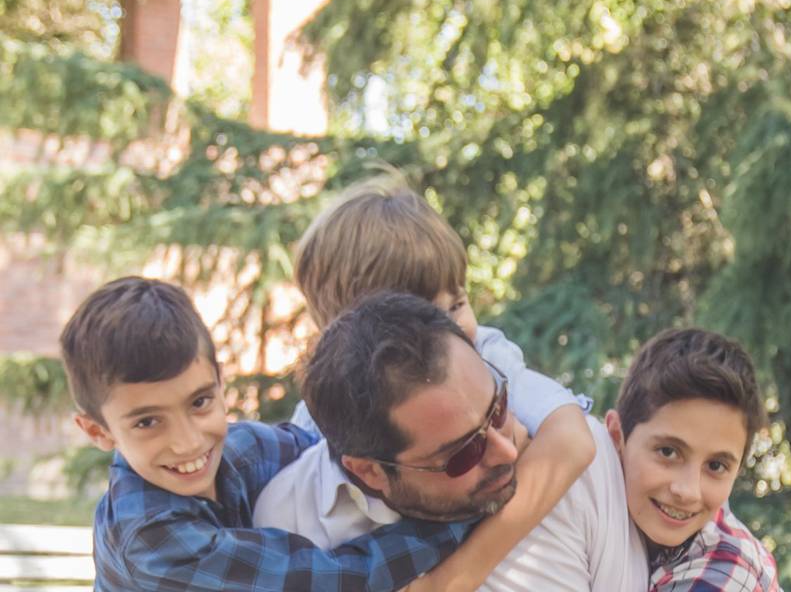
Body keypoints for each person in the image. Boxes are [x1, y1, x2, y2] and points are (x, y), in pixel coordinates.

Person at [258, 175, 602, 589]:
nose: (452, 328)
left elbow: (573, 441)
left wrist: (457, 576)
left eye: (457, 304)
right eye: (422, 317)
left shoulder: (481, 358)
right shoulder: (310, 444)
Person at [62, 276, 471, 592]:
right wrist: (461, 516)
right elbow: (336, 580)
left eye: (200, 402)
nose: (187, 441)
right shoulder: (151, 542)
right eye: (147, 422)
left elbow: (335, 455)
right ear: (98, 431)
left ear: (221, 382)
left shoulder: (244, 449)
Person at [258, 292, 649, 591]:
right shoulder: (289, 529)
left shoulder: (577, 467)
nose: (508, 450)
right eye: (465, 452)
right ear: (370, 471)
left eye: (498, 409)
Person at [604, 328, 782, 591]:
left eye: (715, 466)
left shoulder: (725, 573)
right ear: (617, 437)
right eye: (668, 452)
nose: (687, 491)